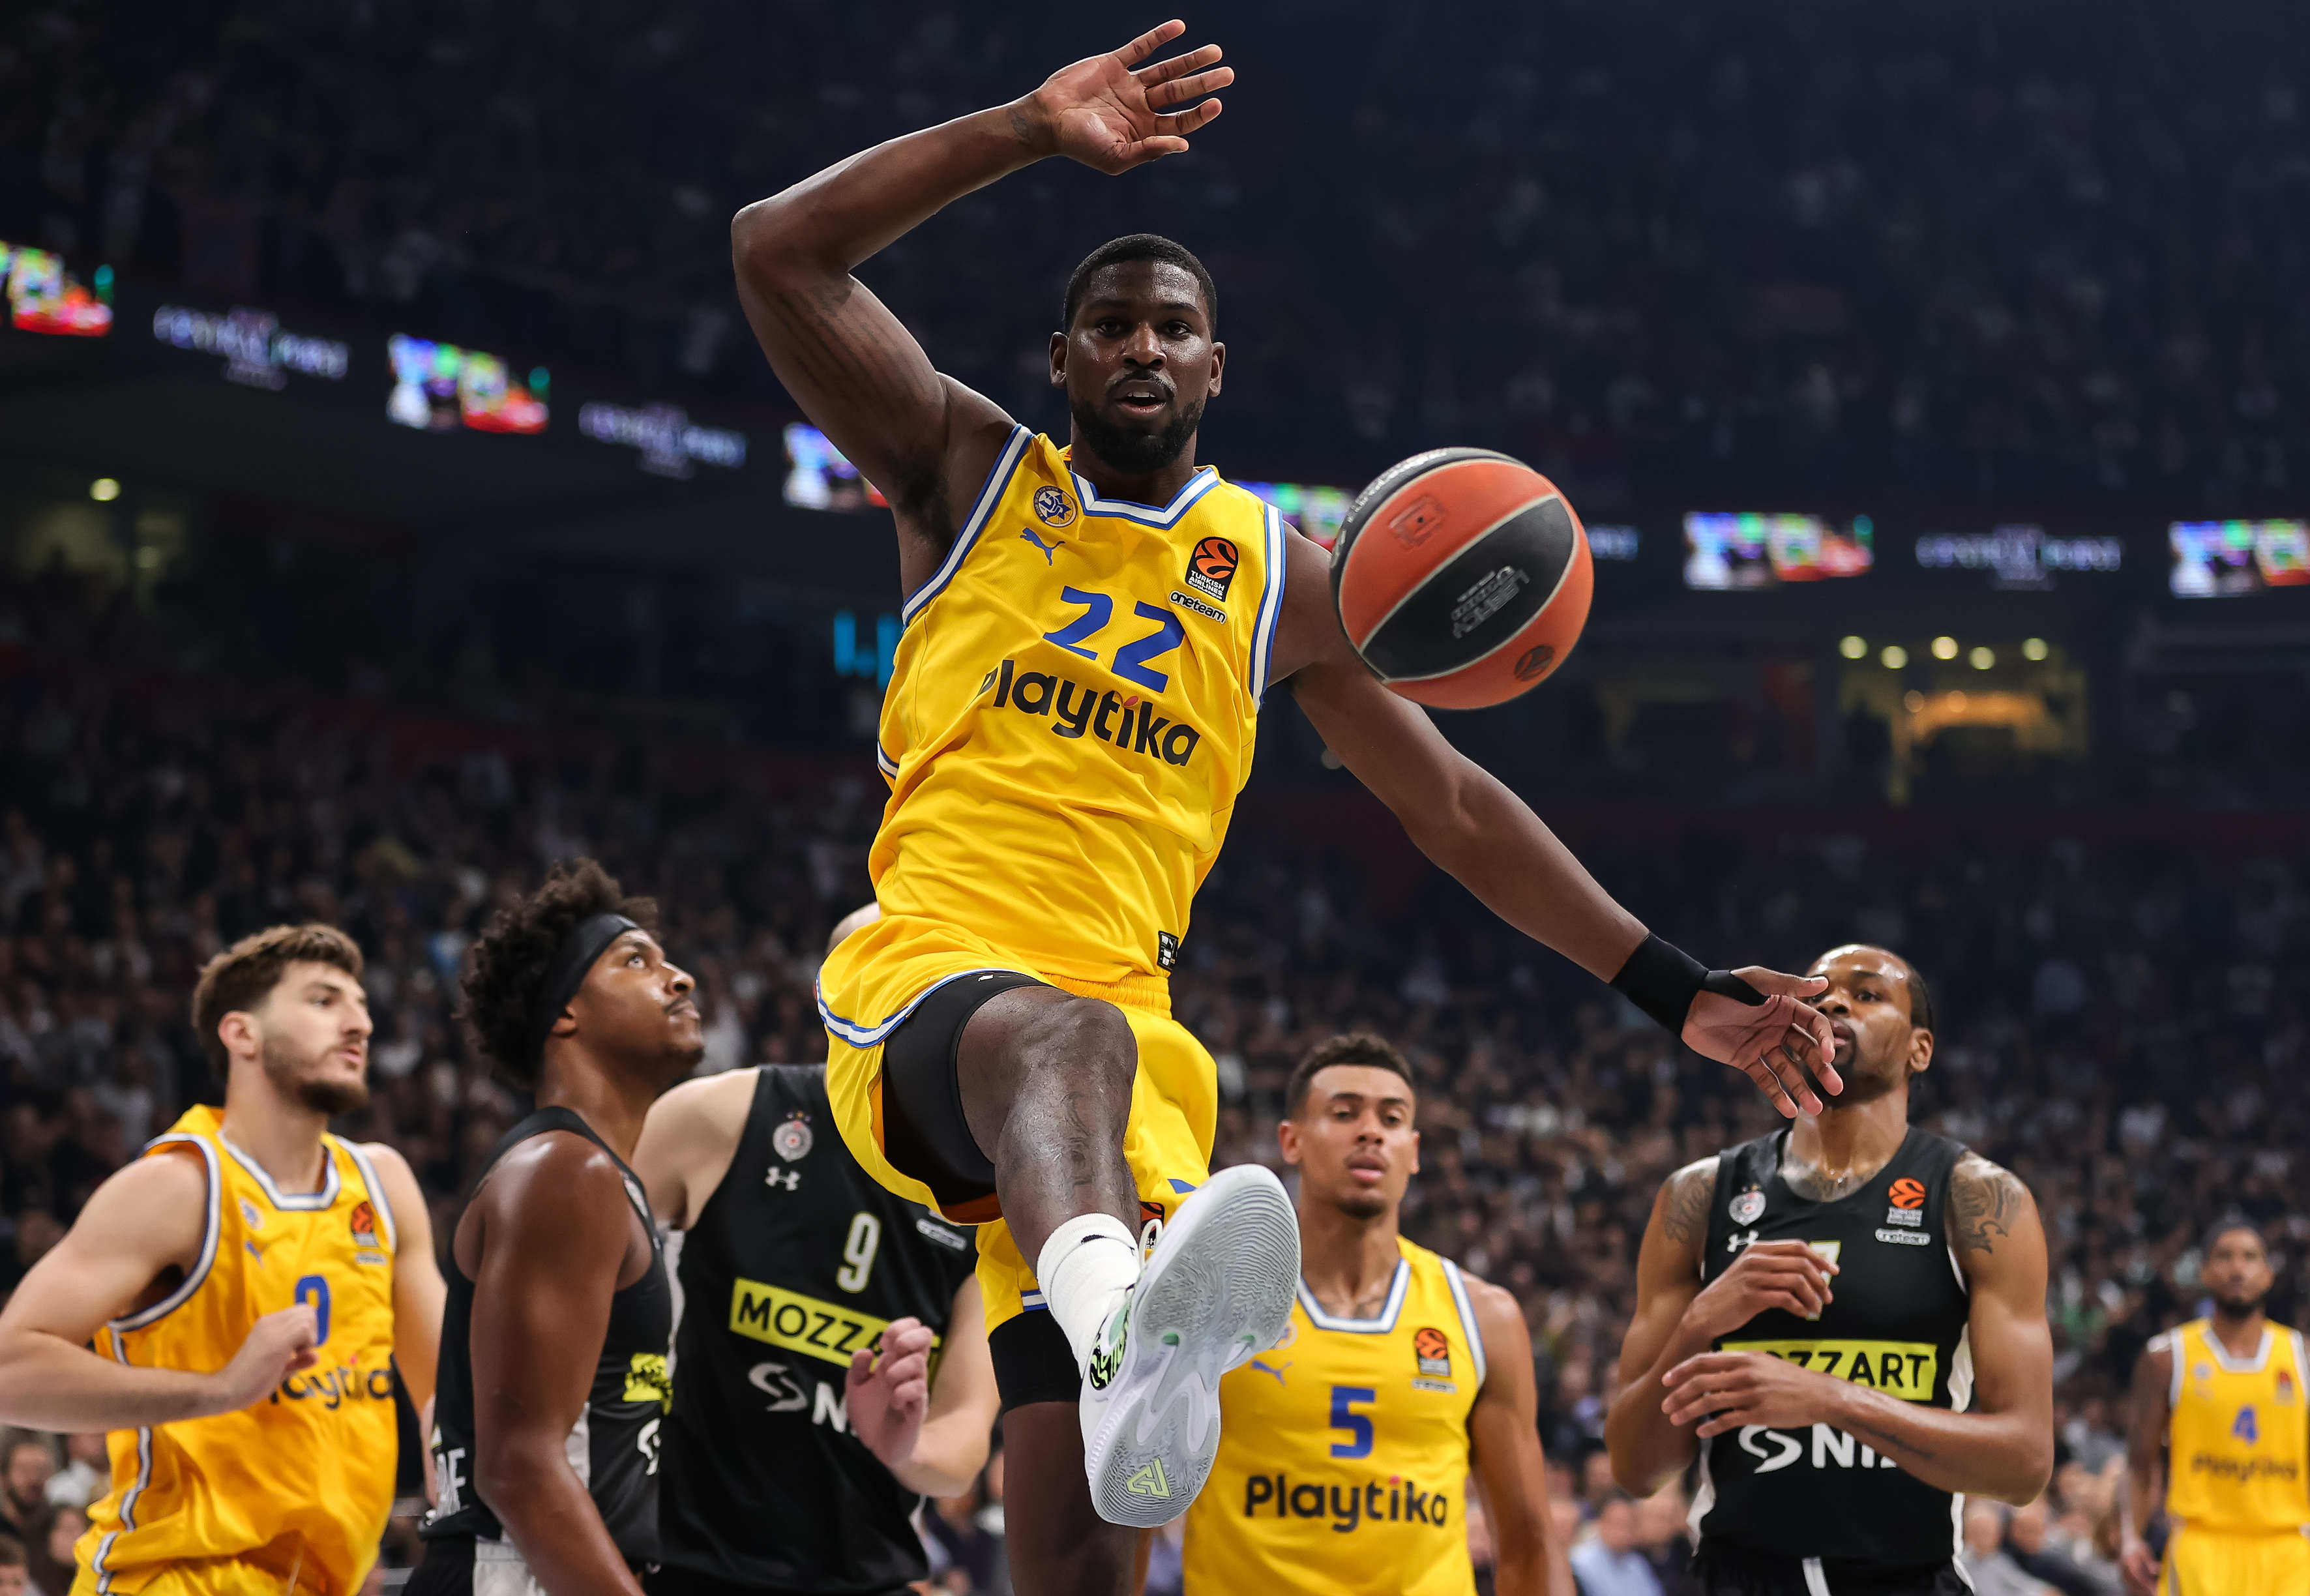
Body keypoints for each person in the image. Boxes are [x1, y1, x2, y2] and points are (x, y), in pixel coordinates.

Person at [730, 22, 1837, 1589]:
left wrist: (1675, 988)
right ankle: (1121, 1317)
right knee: (1061, 1036)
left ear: (1213, 366)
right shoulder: (964, 470)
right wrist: (1031, 132)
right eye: (1107, 324)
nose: (1140, 346)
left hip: (1123, 1093)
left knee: (1083, 1558)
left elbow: (1450, 802)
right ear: (1061, 362)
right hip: (927, 984)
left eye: (1172, 326)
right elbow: (776, 249)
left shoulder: (1278, 578)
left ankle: (1112, 1325)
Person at [0, 924, 443, 1596]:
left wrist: (460, 1468)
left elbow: (442, 1386)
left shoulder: (384, 1185)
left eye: (360, 1004)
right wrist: (220, 1392)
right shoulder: (179, 1187)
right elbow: (10, 1366)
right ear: (243, 1035)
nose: (360, 1023)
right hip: (179, 1578)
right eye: (324, 1001)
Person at [1605, 944, 2055, 1595]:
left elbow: (2024, 1463)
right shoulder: (1697, 1197)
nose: (1837, 1003)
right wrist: (1699, 1324)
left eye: (1867, 995)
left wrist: (1832, 1400)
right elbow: (1635, 1468)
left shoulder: (1980, 1200)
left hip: (1905, 1580)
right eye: (1819, 996)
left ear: (1920, 1050)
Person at [634, 904, 1001, 1596]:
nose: (907, 1000)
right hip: (690, 1565)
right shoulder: (715, 1117)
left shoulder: (983, 1203)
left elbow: (963, 1440)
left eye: (932, 981)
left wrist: (904, 1445)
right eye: (883, 971)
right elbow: (582, 1278)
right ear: (830, 991)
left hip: (867, 1573)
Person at [1180, 1033, 1571, 1596]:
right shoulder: (1214, 1295)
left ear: (1412, 1151)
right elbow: (1135, 1517)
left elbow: (1529, 1545)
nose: (1370, 1131)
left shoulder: (1482, 1315)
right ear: (1289, 1141)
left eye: (1391, 1119)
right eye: (1343, 1114)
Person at [410, 860, 702, 1596]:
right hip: (520, 1572)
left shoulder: (597, 1175)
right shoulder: (564, 1171)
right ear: (566, 1013)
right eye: (636, 960)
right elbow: (518, 1466)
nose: (681, 979)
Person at [2119, 1218, 2308, 1595]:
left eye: (2250, 1257)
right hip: (2199, 1549)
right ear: (2205, 1272)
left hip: (2288, 1550)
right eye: (2224, 1257)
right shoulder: (2167, 1357)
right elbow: (2140, 1463)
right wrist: (2130, 1539)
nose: (2238, 1268)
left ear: (2268, 1275)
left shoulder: (2302, 1355)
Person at [1570, 1495, 1662, 1596]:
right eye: (1616, 1523)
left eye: (1628, 1524)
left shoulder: (1638, 1565)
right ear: (1601, 1523)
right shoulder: (1579, 1562)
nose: (1622, 1531)